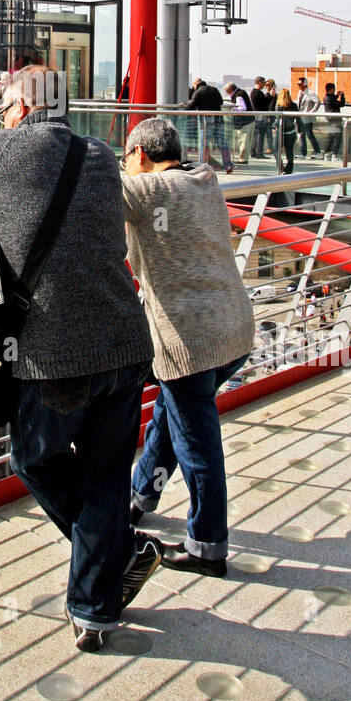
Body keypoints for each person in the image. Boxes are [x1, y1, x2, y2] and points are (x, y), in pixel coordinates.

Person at [0, 65, 158, 651]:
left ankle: (114, 564)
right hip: (125, 342)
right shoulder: (103, 155)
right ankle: (95, 604)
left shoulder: (2, 152)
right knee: (107, 476)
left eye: (1, 108)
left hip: (57, 351)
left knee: (33, 456)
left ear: (22, 110)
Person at [120, 118, 255, 575]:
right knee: (170, 416)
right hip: (233, 331)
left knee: (198, 447)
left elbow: (94, 183)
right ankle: (140, 496)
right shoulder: (205, 180)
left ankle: (207, 546)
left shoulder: (144, 192)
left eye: (126, 157)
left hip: (190, 344)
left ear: (139, 154)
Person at [185, 78, 232, 173]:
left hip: (206, 121)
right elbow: (221, 102)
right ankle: (228, 165)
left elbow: (190, 106)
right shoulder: (214, 89)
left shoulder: (197, 92)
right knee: (222, 143)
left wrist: (183, 105)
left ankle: (202, 165)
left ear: (196, 84)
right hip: (218, 119)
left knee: (204, 143)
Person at [225, 82, 254, 163]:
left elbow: (242, 108)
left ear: (230, 90)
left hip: (244, 122)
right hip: (250, 120)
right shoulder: (241, 92)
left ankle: (243, 159)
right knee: (246, 141)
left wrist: (232, 108)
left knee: (243, 141)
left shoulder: (238, 95)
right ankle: (244, 158)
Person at [295, 77, 321, 157]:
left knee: (309, 134)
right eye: (298, 84)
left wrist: (312, 112)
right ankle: (303, 152)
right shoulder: (300, 93)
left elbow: (318, 102)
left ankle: (317, 151)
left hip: (307, 118)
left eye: (300, 84)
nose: (298, 85)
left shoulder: (310, 93)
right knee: (302, 134)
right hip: (300, 116)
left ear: (305, 84)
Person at [275, 87, 298, 173]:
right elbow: (298, 119)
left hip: (281, 132)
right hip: (291, 132)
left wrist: (274, 125)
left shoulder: (279, 106)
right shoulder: (294, 105)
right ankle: (288, 170)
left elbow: (277, 119)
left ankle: (281, 169)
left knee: (276, 151)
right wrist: (300, 130)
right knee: (289, 152)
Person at [322, 82, 344, 161]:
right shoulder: (330, 98)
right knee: (337, 137)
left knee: (331, 137)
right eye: (334, 89)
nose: (335, 90)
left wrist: (337, 96)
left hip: (330, 119)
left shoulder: (326, 97)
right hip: (335, 119)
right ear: (331, 89)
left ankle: (327, 155)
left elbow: (333, 100)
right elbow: (341, 104)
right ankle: (334, 155)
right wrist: (342, 96)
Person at [250, 76, 270, 158]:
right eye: (264, 83)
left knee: (256, 135)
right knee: (260, 135)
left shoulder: (253, 92)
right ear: (260, 82)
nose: (265, 85)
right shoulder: (259, 93)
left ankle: (254, 152)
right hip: (260, 117)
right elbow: (265, 104)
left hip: (256, 117)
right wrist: (270, 95)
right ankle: (259, 153)